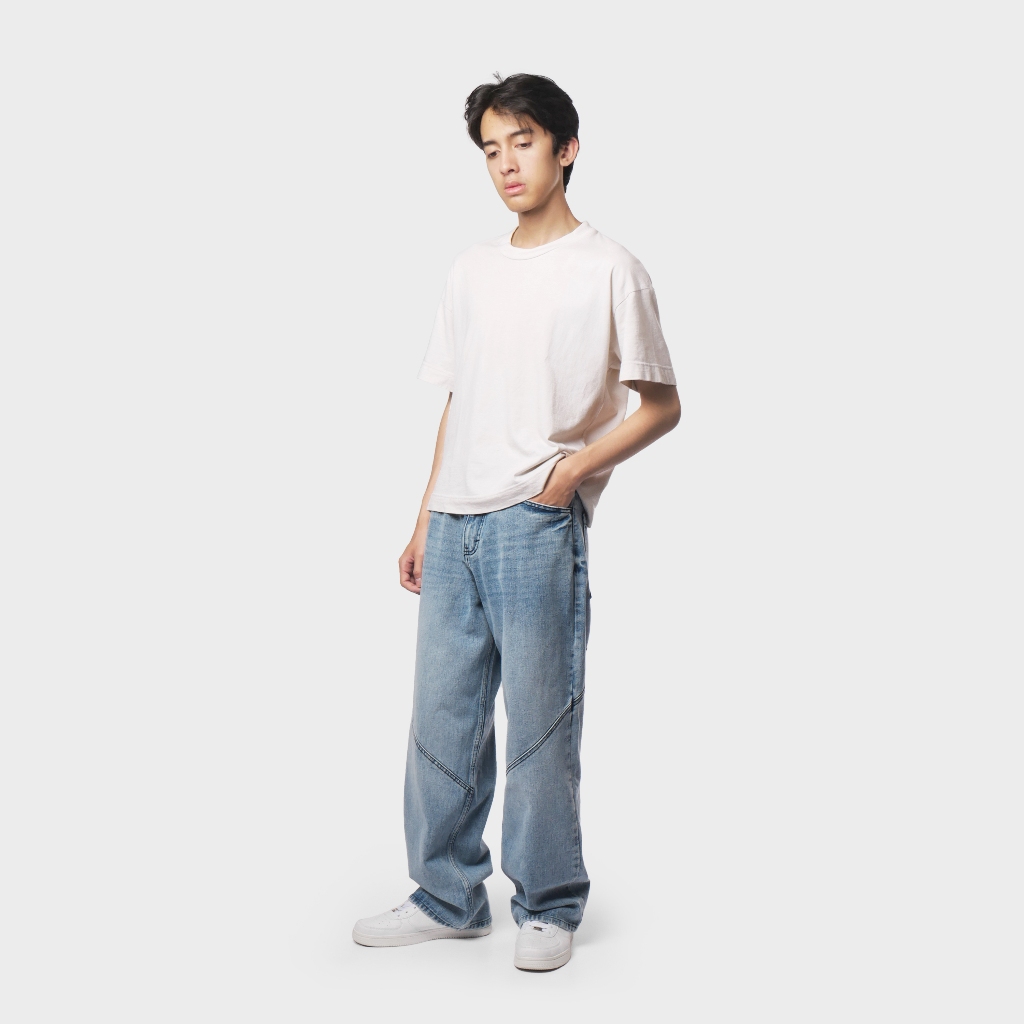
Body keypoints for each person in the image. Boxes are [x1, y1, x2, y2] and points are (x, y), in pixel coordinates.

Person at [352, 73, 679, 972]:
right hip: (456, 521)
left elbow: (662, 405)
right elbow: (461, 403)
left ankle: (548, 903)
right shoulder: (471, 270)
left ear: (566, 149)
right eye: (491, 149)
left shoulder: (610, 268)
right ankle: (446, 896)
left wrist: (569, 475)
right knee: (441, 719)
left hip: (536, 522)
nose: (505, 164)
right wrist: (424, 520)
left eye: (522, 142)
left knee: (539, 723)